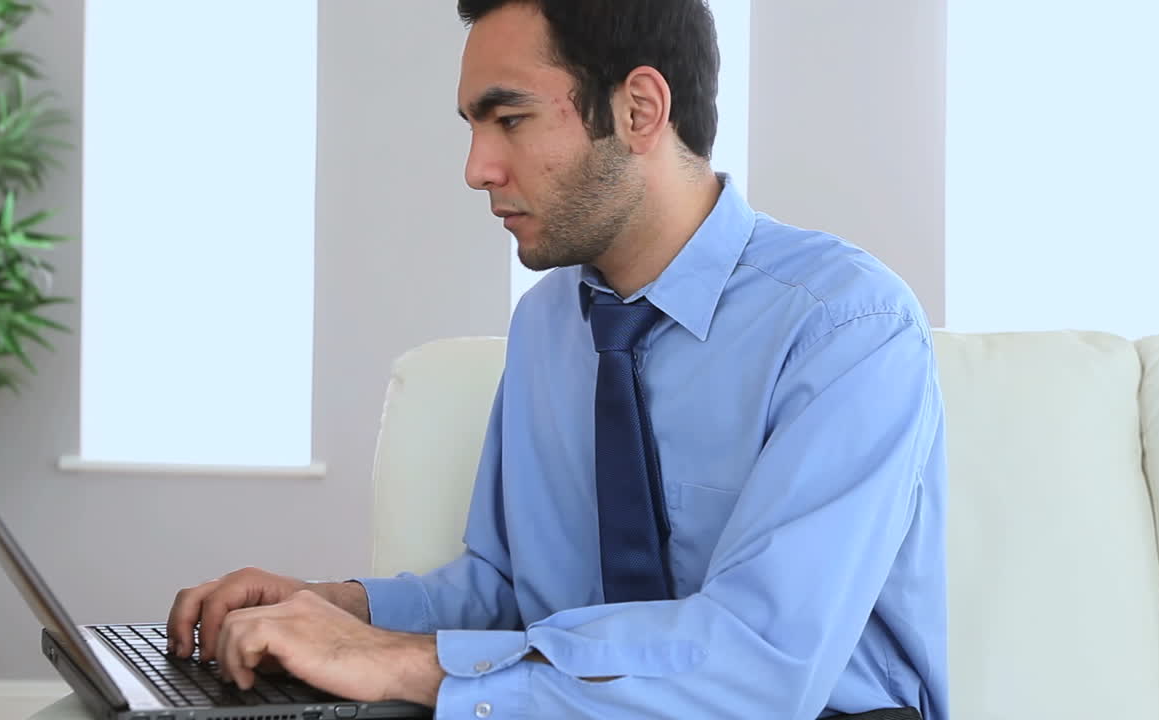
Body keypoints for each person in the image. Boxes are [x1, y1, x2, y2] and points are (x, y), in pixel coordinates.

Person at [165, 1, 949, 718]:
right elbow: (509, 590)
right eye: (473, 127)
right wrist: (339, 611)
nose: (478, 168)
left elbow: (761, 664)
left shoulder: (847, 327)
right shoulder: (547, 324)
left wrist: (406, 664)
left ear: (639, 109)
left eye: (509, 118)